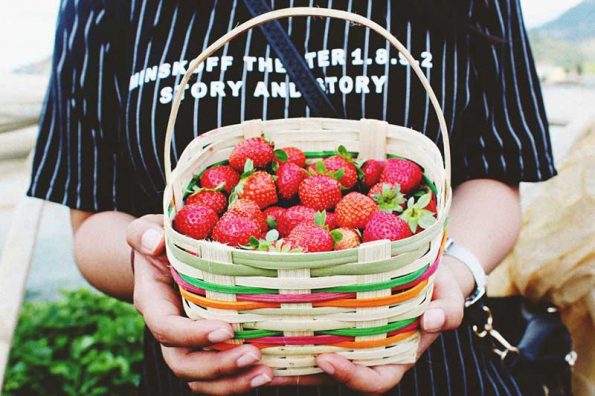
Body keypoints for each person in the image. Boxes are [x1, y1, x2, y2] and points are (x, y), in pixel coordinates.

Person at [27, 0, 556, 394]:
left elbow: (496, 175)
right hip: (207, 358)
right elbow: (92, 218)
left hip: (431, 366)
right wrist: (158, 262)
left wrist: (452, 270)